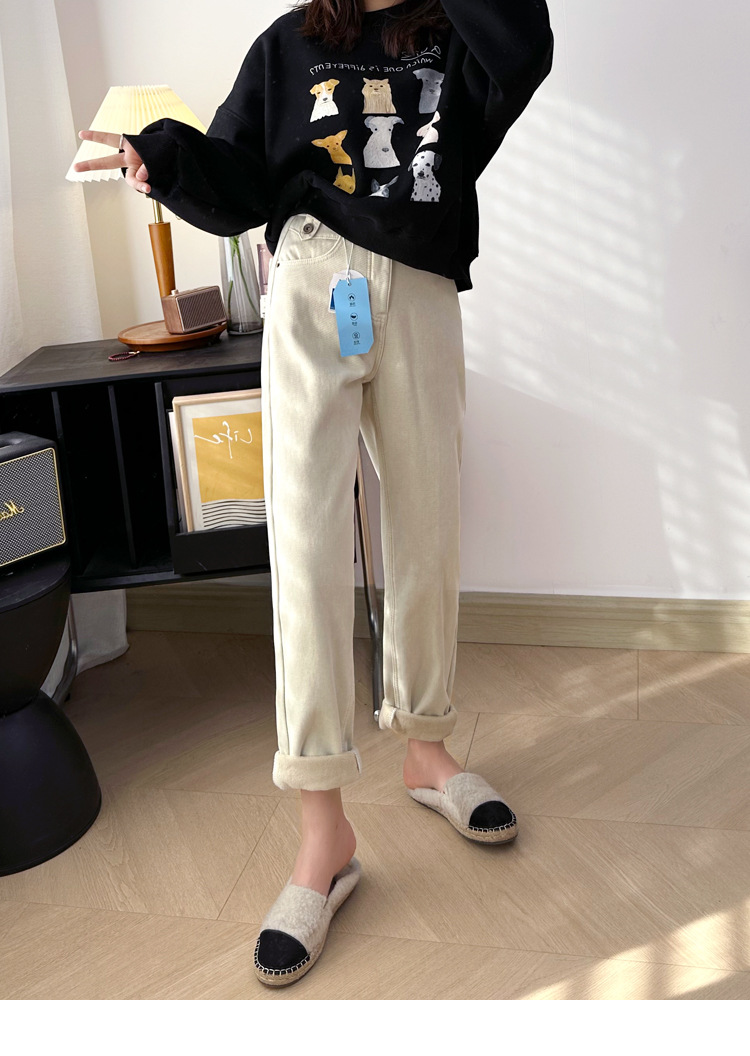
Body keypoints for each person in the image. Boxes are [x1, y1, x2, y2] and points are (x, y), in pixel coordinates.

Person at [75, 0, 553, 987]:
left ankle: (427, 749)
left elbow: (525, 52)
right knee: (304, 551)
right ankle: (323, 832)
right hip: (308, 285)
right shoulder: (289, 43)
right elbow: (239, 175)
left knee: (427, 533)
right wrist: (166, 158)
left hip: (421, 290)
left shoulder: (458, 34)